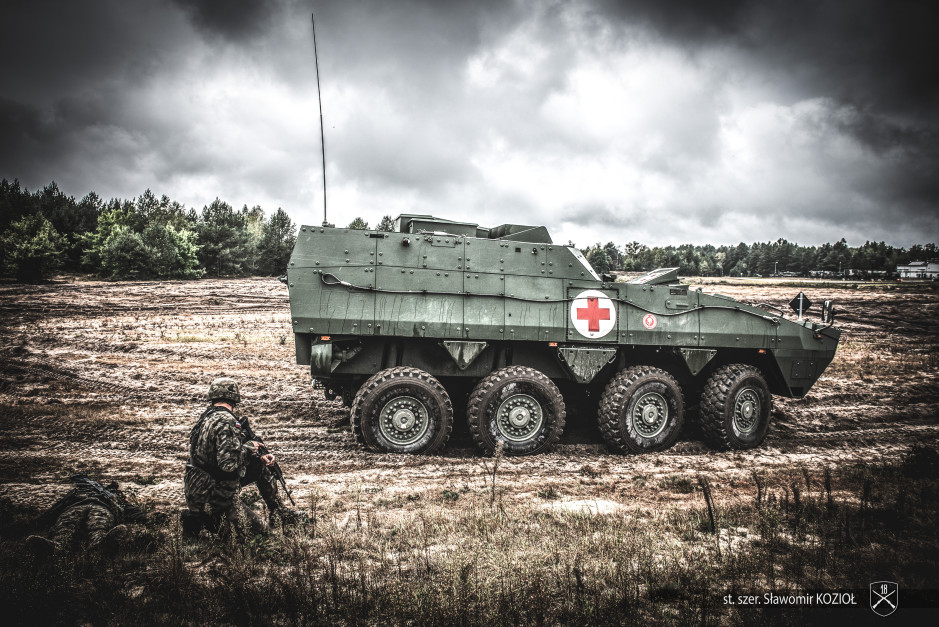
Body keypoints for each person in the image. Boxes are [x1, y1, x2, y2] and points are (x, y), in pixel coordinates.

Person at [183, 376, 301, 541]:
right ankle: (204, 521)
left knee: (260, 465)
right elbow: (228, 464)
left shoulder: (207, 417)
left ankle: (278, 512)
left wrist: (257, 456)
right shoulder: (227, 421)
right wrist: (250, 447)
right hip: (216, 497)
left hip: (199, 490)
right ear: (234, 398)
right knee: (265, 536)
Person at [25, 475, 150, 558]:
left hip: (100, 508)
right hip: (75, 508)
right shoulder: (77, 493)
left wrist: (147, 517)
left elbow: (129, 510)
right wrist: (35, 523)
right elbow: (57, 507)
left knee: (98, 526)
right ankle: (57, 548)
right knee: (66, 527)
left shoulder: (111, 496)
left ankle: (100, 545)